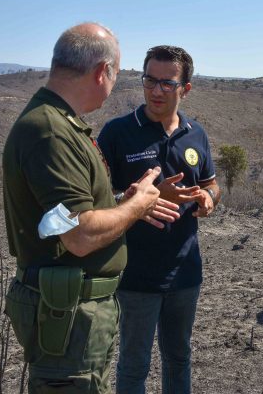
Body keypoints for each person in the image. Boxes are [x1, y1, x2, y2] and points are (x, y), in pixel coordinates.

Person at [2, 23, 179, 393]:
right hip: (67, 316)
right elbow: (80, 235)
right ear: (102, 72)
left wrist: (125, 203)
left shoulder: (59, 124)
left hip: (73, 313)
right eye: (115, 75)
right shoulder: (50, 131)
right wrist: (138, 205)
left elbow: (65, 215)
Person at [97, 45, 219, 394]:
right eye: (150, 80)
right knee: (133, 365)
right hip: (135, 274)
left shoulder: (196, 134)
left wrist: (208, 198)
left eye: (168, 83)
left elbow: (211, 182)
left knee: (179, 357)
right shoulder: (117, 133)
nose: (156, 90)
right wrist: (134, 200)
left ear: (186, 89)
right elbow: (95, 200)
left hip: (185, 271)